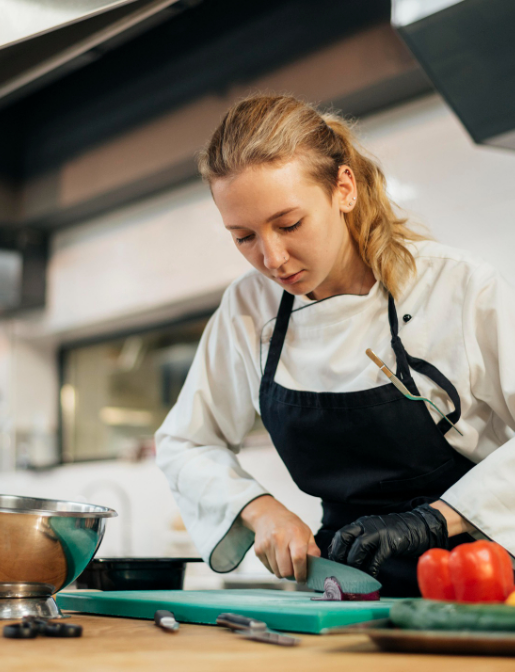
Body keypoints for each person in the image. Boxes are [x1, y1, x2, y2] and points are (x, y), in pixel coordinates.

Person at [156, 94, 515, 597]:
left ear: (343, 188)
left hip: (479, 578)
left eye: (289, 224)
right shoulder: (250, 307)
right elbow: (186, 441)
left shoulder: (456, 287)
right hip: (339, 588)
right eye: (243, 237)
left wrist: (432, 522)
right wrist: (260, 511)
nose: (272, 257)